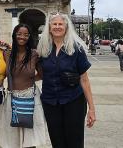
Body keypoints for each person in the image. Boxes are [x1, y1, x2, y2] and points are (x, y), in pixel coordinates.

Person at [38, 13, 96, 148]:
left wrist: (91, 109)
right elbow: (39, 72)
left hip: (73, 100)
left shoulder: (76, 48)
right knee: (57, 141)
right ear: (49, 27)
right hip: (50, 101)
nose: (57, 27)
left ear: (66, 27)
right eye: (54, 24)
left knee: (74, 141)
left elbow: (84, 79)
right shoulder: (43, 49)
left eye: (60, 24)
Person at [0, 24, 50, 148]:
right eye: (19, 34)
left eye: (26, 34)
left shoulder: (34, 54)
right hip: (12, 98)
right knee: (13, 138)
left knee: (30, 139)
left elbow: (42, 75)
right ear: (14, 35)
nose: (22, 37)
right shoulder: (6, 54)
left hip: (30, 98)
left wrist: (30, 79)